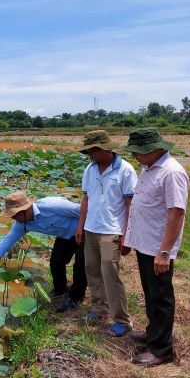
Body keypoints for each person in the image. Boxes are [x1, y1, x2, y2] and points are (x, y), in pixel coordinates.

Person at [123, 129, 189, 367]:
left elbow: (176, 212)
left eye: (138, 152)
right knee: (151, 293)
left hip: (158, 247)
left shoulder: (171, 172)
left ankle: (162, 349)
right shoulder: (149, 167)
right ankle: (154, 335)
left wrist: (165, 251)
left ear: (154, 150)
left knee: (161, 296)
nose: (135, 156)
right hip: (145, 243)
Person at [0, 191, 87, 312]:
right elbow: (7, 241)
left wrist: (82, 229)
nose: (13, 218)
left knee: (80, 265)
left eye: (15, 214)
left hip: (85, 230)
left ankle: (75, 297)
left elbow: (84, 210)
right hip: (65, 235)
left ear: (26, 209)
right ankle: (60, 290)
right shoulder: (22, 223)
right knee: (56, 262)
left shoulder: (53, 206)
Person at [76, 130, 137, 337]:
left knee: (110, 274)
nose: (89, 155)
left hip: (112, 231)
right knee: (91, 270)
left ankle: (122, 320)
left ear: (103, 149)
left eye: (91, 151)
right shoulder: (90, 169)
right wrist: (80, 226)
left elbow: (131, 205)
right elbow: (86, 199)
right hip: (91, 228)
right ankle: (99, 309)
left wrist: (127, 234)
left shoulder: (125, 170)